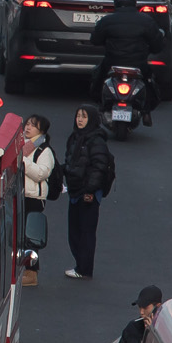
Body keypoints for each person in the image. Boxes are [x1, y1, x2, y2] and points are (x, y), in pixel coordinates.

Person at [90, 0, 165, 122]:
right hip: (138, 64)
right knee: (149, 81)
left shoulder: (107, 20)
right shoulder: (146, 21)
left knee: (98, 77)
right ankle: (146, 110)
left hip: (112, 62)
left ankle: (100, 106)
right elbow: (157, 44)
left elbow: (95, 40)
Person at [62, 105, 113, 279]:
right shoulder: (75, 137)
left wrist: (90, 190)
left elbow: (99, 167)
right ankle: (80, 265)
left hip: (87, 193)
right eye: (78, 116)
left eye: (84, 117)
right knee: (74, 231)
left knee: (85, 232)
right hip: (75, 191)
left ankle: (84, 268)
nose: (80, 120)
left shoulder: (97, 141)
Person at [19, 115, 54, 288]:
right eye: (27, 124)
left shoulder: (44, 150)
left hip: (34, 198)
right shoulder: (22, 145)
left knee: (31, 237)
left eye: (33, 126)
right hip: (21, 195)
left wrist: (22, 161)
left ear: (42, 130)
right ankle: (21, 270)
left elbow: (42, 173)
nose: (28, 128)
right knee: (18, 235)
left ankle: (32, 273)